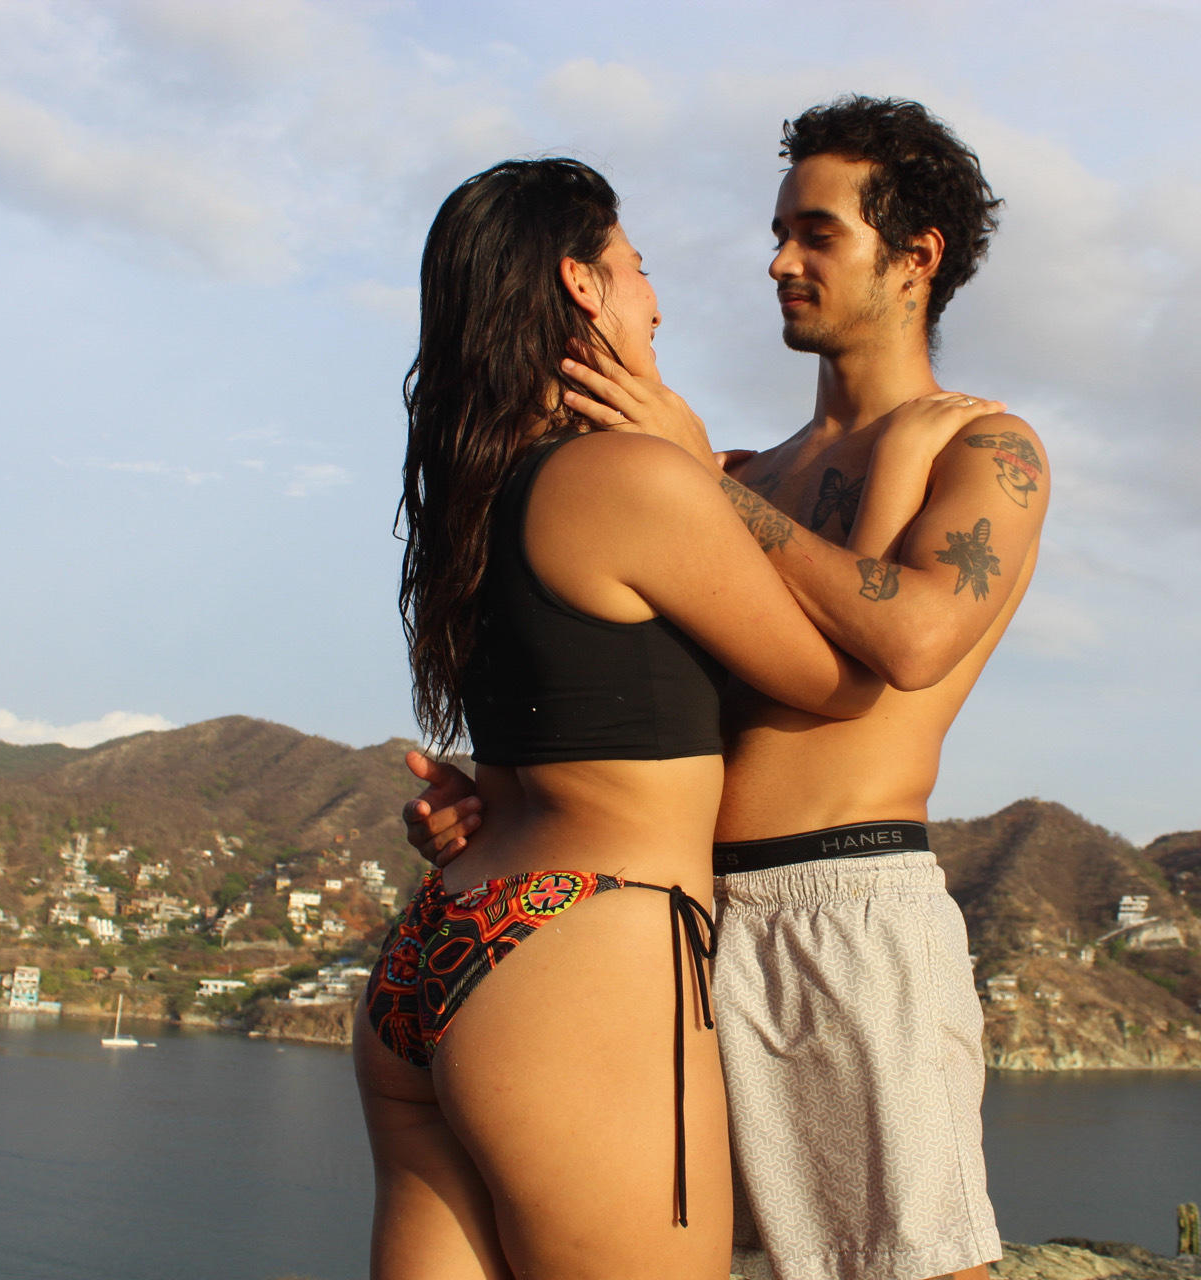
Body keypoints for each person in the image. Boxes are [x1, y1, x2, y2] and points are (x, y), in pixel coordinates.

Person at [405, 97, 1051, 1280]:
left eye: (818, 233)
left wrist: (704, 479)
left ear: (916, 257)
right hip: (673, 925)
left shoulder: (982, 449)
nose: (779, 260)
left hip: (841, 910)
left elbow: (914, 640)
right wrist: (509, 806)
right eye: (778, 230)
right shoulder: (735, 467)